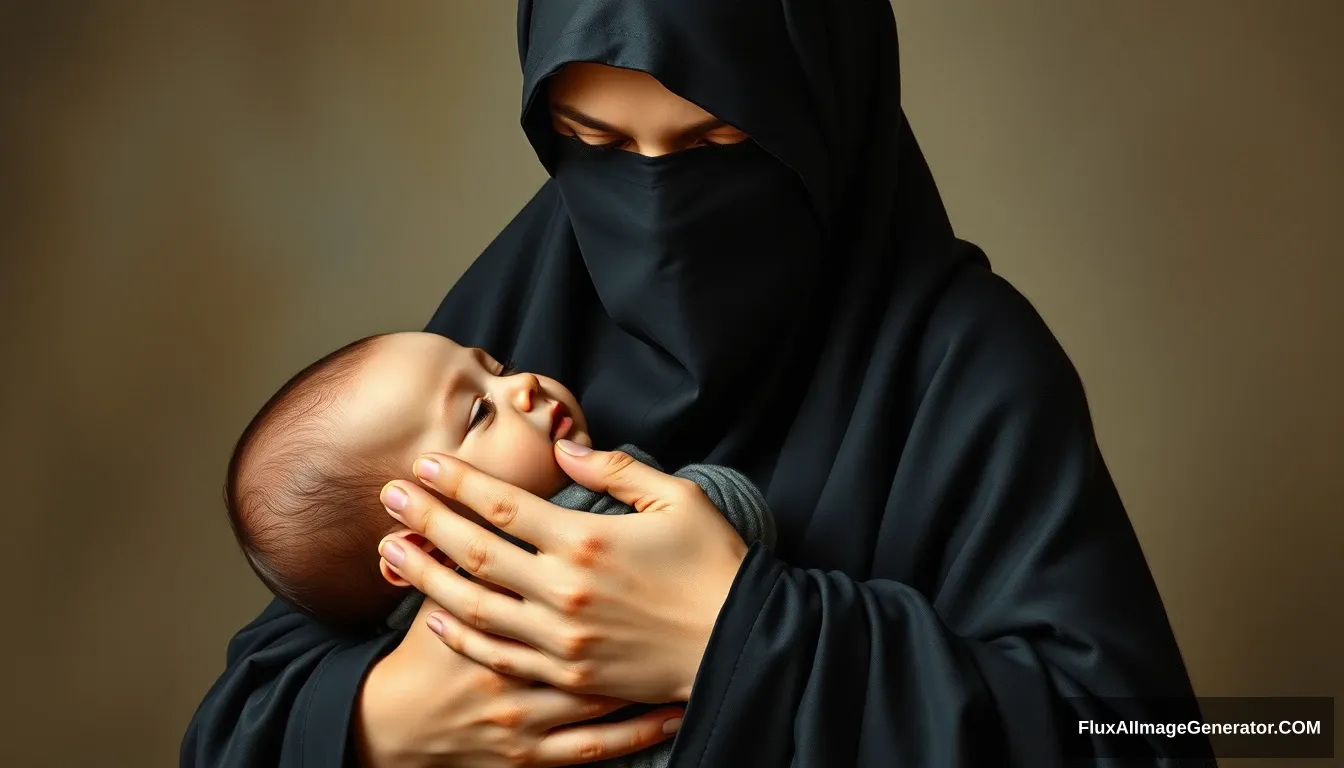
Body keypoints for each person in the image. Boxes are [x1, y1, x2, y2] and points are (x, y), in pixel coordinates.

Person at [183, 1, 1215, 766]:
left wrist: (741, 638)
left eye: (720, 145)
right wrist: (381, 720)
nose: (656, 216)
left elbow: (1141, 738)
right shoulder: (514, 318)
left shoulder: (967, 362)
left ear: (827, 127)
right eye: (593, 143)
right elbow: (246, 711)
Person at [223, 331, 773, 635]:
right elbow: (739, 524)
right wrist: (686, 488)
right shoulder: (594, 531)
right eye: (479, 414)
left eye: (500, 368)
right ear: (423, 548)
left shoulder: (419, 654)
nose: (525, 386)